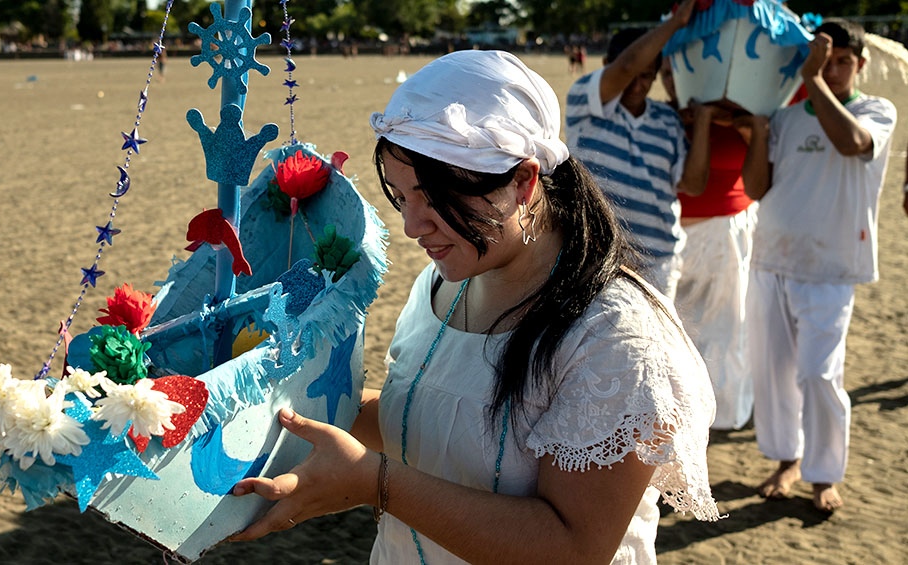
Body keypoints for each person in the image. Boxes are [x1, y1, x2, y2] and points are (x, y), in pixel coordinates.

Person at [226, 49, 720, 563]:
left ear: (523, 182)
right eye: (400, 195)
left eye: (434, 196)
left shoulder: (615, 337)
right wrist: (269, 396)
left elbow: (574, 546)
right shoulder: (443, 282)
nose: (413, 226)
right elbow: (420, 417)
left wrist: (377, 484)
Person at [741, 20, 897, 512]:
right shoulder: (787, 120)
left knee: (818, 374)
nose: (832, 69)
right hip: (770, 258)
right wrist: (761, 128)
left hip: (829, 268)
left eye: (842, 61)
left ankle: (824, 475)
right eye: (824, 60)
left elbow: (851, 143)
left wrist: (811, 80)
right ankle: (787, 459)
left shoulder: (876, 110)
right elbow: (756, 188)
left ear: (861, 64)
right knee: (772, 373)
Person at [565, 0, 712, 300]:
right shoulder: (585, 102)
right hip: (593, 259)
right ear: (608, 64)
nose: (637, 83)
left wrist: (705, 120)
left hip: (658, 265)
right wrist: (674, 23)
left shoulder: (668, 120)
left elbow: (694, 185)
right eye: (632, 72)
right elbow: (628, 65)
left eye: (648, 75)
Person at [659, 59, 758, 431]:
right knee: (670, 329)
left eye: (679, 72)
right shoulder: (659, 115)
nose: (674, 81)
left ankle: (720, 416)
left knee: (724, 329)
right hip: (667, 235)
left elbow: (769, 164)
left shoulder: (739, 113)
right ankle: (676, 413)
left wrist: (729, 121)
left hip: (724, 230)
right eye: (666, 73)